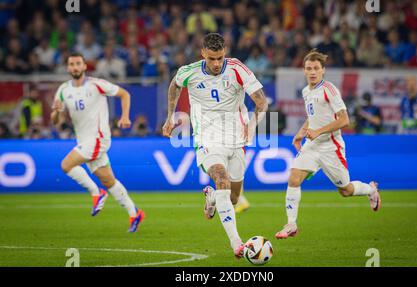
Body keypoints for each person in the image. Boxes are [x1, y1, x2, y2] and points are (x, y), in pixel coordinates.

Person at [162, 33, 268, 258]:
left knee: (233, 198)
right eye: (212, 59)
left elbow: (261, 102)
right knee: (222, 178)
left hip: (237, 141)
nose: (217, 63)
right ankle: (237, 244)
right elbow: (174, 85)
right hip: (207, 140)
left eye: (220, 58)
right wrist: (170, 116)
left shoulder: (238, 69)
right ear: (203, 54)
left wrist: (251, 125)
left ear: (225, 53)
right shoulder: (188, 71)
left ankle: (212, 197)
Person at [275, 50, 381, 240]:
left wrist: (319, 131)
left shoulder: (329, 90)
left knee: (345, 190)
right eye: (309, 68)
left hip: (331, 147)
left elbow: (344, 120)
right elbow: (312, 117)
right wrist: (300, 134)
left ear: (323, 70)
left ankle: (371, 189)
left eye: (316, 68)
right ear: (304, 71)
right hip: (312, 145)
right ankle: (291, 224)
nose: (312, 72)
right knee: (293, 178)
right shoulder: (306, 91)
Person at [51, 52, 144, 233]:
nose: (75, 67)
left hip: (98, 138)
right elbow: (56, 121)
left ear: (85, 66)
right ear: (68, 68)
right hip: (84, 140)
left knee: (66, 165)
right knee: (108, 180)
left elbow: (124, 94)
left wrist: (125, 116)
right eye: (71, 64)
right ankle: (135, 213)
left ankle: (96, 193)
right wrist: (55, 112)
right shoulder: (63, 90)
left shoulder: (96, 84)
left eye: (78, 63)